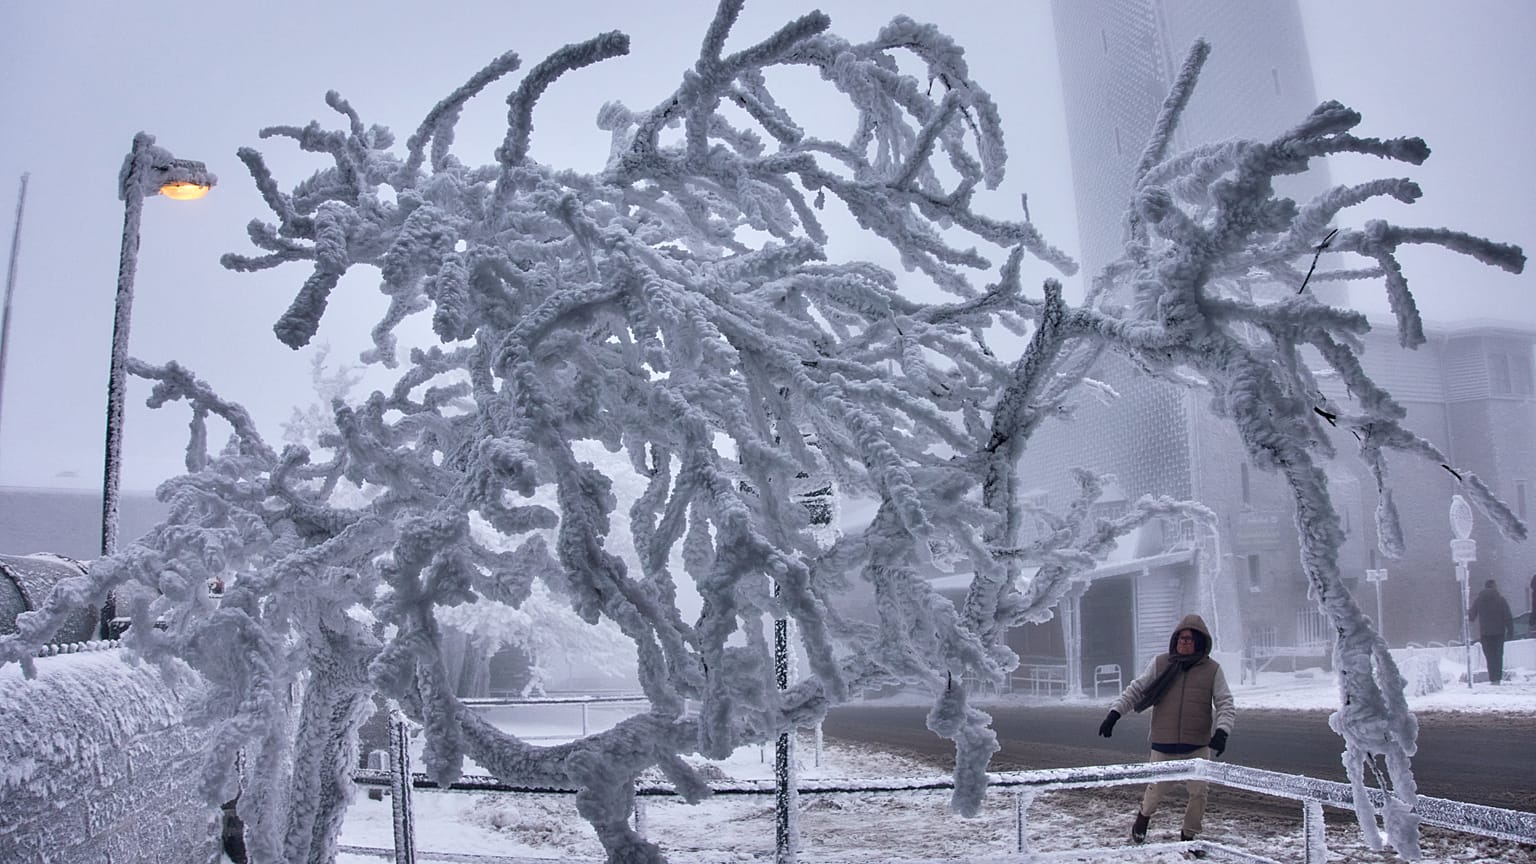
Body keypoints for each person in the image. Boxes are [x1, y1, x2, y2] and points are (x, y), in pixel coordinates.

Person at [1097, 613, 1235, 846]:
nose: (1184, 642)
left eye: (1189, 639)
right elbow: (1137, 690)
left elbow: (1225, 703)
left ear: (1200, 642)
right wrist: (1114, 714)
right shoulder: (1161, 663)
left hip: (1197, 746)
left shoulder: (1212, 670)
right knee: (1155, 791)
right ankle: (1143, 817)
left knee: (1199, 793)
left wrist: (1222, 732)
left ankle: (1189, 836)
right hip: (1164, 743)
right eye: (1181, 638)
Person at [1468, 579, 1513, 685]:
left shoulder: (1479, 600)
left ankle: (1492, 678)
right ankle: (1497, 678)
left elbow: (1471, 617)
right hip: (1499, 632)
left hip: (1485, 633)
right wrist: (1510, 631)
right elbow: (1508, 616)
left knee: (1489, 656)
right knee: (1498, 655)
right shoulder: (1501, 600)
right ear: (1494, 587)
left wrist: (1468, 611)